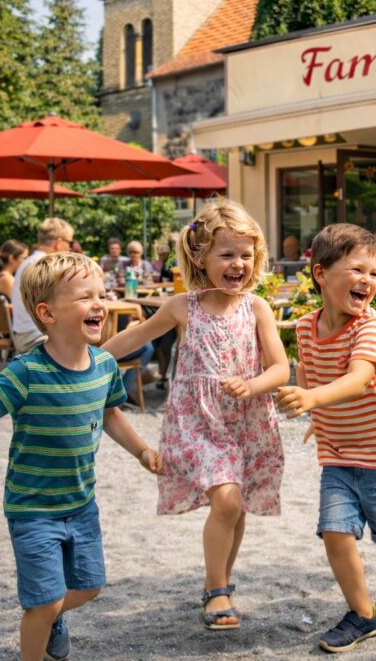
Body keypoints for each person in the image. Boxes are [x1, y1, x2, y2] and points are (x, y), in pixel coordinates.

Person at [0, 251, 162, 661]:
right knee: (43, 601)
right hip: (32, 508)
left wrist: (141, 449)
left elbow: (109, 414)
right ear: (47, 313)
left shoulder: (104, 365)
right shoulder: (27, 371)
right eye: (85, 297)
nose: (99, 304)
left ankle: (52, 615)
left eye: (101, 294)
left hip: (81, 504)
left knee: (90, 587)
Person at [103, 199, 288, 630]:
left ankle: (221, 580)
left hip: (247, 419)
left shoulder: (256, 307)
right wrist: (83, 356)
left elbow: (280, 368)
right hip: (199, 422)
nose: (237, 263)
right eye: (227, 254)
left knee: (235, 506)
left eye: (246, 254)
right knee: (226, 499)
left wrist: (254, 385)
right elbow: (131, 338)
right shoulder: (182, 306)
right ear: (200, 257)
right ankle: (215, 588)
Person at [276, 223, 376, 654]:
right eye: (357, 269)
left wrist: (311, 397)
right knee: (334, 532)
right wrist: (314, 409)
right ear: (320, 274)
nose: (368, 280)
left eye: (374, 272)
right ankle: (364, 614)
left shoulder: (373, 326)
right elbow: (309, 371)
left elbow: (358, 379)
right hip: (339, 456)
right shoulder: (306, 328)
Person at [11, 218, 76, 354]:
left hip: (23, 333)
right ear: (59, 242)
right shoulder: (44, 265)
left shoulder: (28, 262)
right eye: (70, 242)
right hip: (37, 336)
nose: (70, 247)